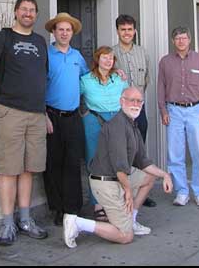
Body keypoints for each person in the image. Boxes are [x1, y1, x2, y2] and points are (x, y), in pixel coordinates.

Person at [0, 0, 49, 246]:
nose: (28, 13)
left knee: (29, 169)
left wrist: (44, 113)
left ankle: (25, 220)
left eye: (32, 10)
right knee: (9, 169)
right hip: (8, 113)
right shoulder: (3, 39)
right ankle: (7, 224)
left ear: (36, 15)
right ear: (15, 12)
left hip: (36, 115)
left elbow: (41, 80)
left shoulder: (40, 42)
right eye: (24, 9)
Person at [63, 87, 173, 248]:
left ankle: (131, 220)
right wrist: (127, 191)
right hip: (106, 182)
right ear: (122, 101)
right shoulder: (117, 126)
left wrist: (165, 175)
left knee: (149, 176)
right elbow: (119, 165)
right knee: (125, 236)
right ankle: (78, 223)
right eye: (131, 100)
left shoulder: (131, 124)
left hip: (118, 177)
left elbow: (142, 161)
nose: (135, 104)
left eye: (139, 101)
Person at [157, 26, 199, 207]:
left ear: (189, 40)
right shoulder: (165, 62)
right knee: (175, 154)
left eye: (184, 38)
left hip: (195, 111)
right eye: (177, 38)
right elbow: (161, 88)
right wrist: (163, 111)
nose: (181, 41)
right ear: (173, 41)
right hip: (173, 111)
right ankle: (181, 191)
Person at [43, 12, 88, 226]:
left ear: (72, 33)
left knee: (73, 164)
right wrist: (43, 115)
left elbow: (89, 81)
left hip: (73, 117)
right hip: (51, 117)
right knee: (54, 164)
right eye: (60, 29)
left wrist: (117, 74)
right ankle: (58, 208)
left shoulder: (77, 57)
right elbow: (37, 86)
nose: (64, 33)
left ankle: (73, 209)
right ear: (54, 32)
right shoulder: (46, 55)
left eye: (68, 30)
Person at [112, 14, 156, 208]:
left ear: (134, 31)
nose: (127, 33)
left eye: (130, 29)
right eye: (123, 29)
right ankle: (122, 192)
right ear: (118, 31)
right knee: (122, 150)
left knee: (139, 149)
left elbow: (146, 79)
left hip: (140, 110)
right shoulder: (111, 54)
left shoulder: (142, 52)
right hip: (119, 112)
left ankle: (141, 191)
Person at [80, 46, 128, 222]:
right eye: (104, 57)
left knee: (117, 160)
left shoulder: (119, 78)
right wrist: (83, 114)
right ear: (97, 59)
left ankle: (118, 200)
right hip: (93, 120)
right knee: (94, 161)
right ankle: (97, 204)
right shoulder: (85, 80)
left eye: (111, 58)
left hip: (116, 120)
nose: (108, 61)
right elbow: (73, 97)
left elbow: (128, 98)